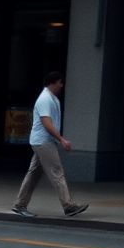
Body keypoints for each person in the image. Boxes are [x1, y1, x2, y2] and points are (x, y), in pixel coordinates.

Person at [13, 71, 87, 218]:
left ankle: (20, 205)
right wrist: (62, 139)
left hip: (41, 141)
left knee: (33, 174)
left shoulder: (52, 98)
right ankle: (68, 206)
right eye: (60, 82)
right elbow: (46, 123)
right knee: (57, 173)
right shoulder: (45, 99)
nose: (62, 85)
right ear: (53, 83)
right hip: (44, 142)